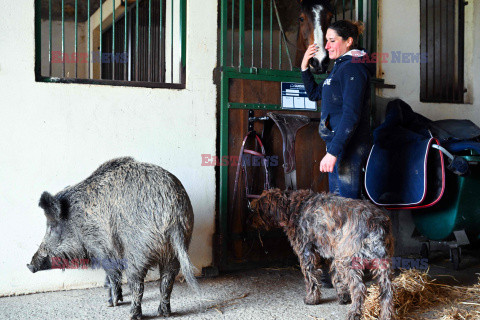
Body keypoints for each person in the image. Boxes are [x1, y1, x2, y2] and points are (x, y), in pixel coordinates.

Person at [301, 20, 374, 200]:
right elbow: (314, 93)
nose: (326, 46)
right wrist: (304, 66)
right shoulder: (340, 67)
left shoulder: (353, 68)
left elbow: (351, 114)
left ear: (348, 41)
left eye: (332, 40)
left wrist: (333, 152)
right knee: (338, 204)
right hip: (338, 145)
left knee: (348, 206)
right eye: (326, 40)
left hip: (349, 147)